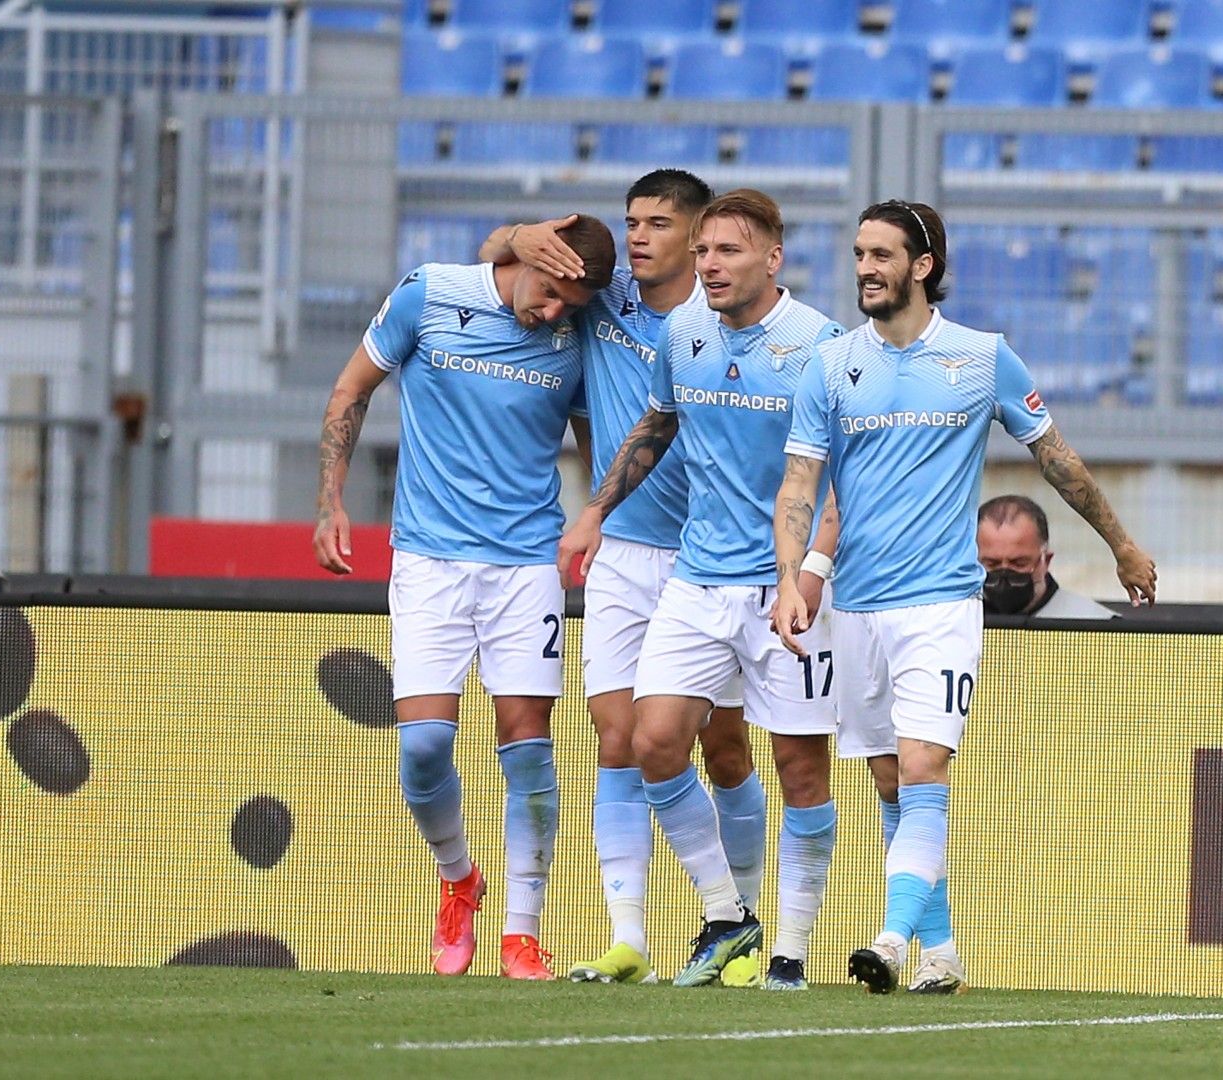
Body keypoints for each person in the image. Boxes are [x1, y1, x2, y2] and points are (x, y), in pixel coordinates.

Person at [772, 199, 1156, 995]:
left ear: (923, 267)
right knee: (887, 780)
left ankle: (889, 935)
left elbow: (1058, 460)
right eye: (859, 254)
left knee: (922, 770)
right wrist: (791, 580)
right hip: (859, 607)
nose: (866, 269)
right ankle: (941, 953)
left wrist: (1120, 543)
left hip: (942, 605)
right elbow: (799, 488)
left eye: (882, 255)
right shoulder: (831, 364)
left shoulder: (982, 358)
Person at [482, 172, 768, 988]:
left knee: (722, 747)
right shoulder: (602, 302)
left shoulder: (728, 322)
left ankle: (736, 922)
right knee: (620, 740)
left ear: (700, 234)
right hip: (621, 553)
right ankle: (629, 938)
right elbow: (492, 261)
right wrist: (522, 232)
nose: (638, 237)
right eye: (633, 223)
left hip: (713, 561)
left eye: (659, 224)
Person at [314, 215, 618, 980]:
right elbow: (352, 387)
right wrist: (332, 500)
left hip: (524, 567)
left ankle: (521, 931)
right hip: (429, 561)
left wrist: (595, 517)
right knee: (421, 752)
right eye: (548, 293)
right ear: (525, 258)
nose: (552, 314)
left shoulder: (576, 338)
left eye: (568, 308)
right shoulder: (429, 293)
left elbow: (591, 437)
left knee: (528, 751)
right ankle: (458, 878)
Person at [558, 189, 846, 989]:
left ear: (772, 258)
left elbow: (845, 483)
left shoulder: (821, 348)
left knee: (798, 768)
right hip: (698, 575)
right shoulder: (682, 333)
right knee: (651, 742)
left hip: (783, 589)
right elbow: (657, 425)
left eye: (729, 251)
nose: (712, 265)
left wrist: (811, 574)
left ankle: (787, 953)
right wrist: (595, 512)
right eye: (707, 251)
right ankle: (728, 915)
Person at [978, 495, 1117, 619]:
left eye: (1019, 563)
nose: (1005, 573)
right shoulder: (960, 622)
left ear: (1046, 560)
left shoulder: (1094, 624)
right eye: (992, 564)